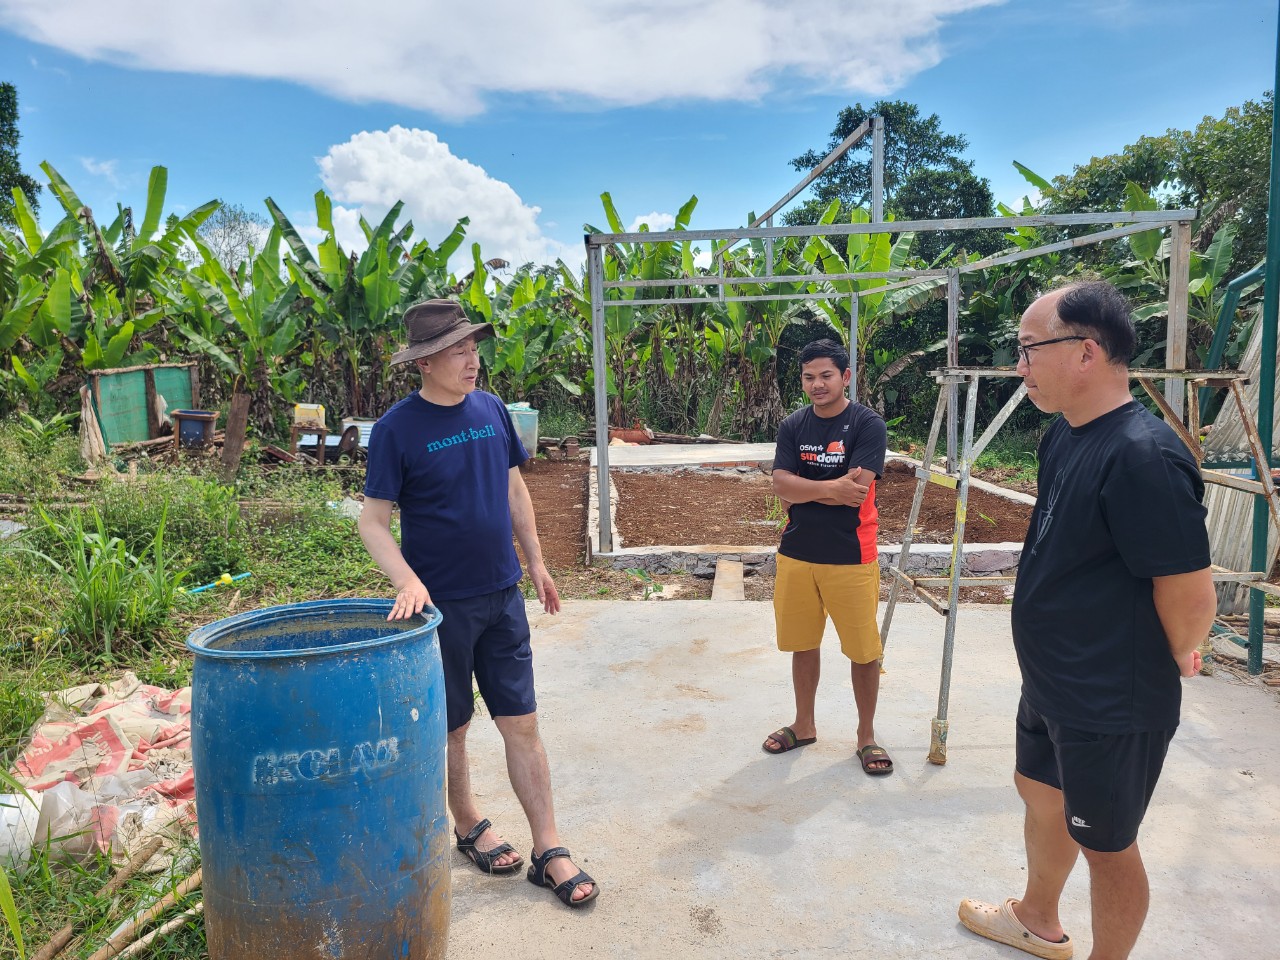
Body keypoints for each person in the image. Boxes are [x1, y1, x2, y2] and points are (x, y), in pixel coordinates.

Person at [958, 281, 1216, 959]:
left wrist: (1176, 651)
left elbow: (1191, 596)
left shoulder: (1143, 456)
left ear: (1086, 351)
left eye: (1029, 349)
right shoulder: (1066, 434)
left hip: (1108, 697)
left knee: (1108, 845)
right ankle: (1036, 917)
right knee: (1041, 793)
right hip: (1054, 680)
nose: (1020, 366)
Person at [358, 299, 598, 909]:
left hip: (502, 594)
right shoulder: (396, 429)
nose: (473, 361)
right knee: (454, 727)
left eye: (474, 349)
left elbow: (514, 487)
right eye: (459, 352)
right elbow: (373, 522)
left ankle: (549, 848)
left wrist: (536, 563)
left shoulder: (491, 409)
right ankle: (468, 823)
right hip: (441, 608)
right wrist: (407, 581)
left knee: (523, 723)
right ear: (425, 362)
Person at [762, 338, 891, 775]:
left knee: (863, 652)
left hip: (851, 555)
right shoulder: (793, 426)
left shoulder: (868, 424)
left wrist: (804, 489)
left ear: (845, 377)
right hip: (797, 552)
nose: (817, 384)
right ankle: (804, 724)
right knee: (802, 644)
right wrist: (829, 488)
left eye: (826, 376)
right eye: (808, 377)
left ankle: (866, 736)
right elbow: (779, 483)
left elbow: (856, 491)